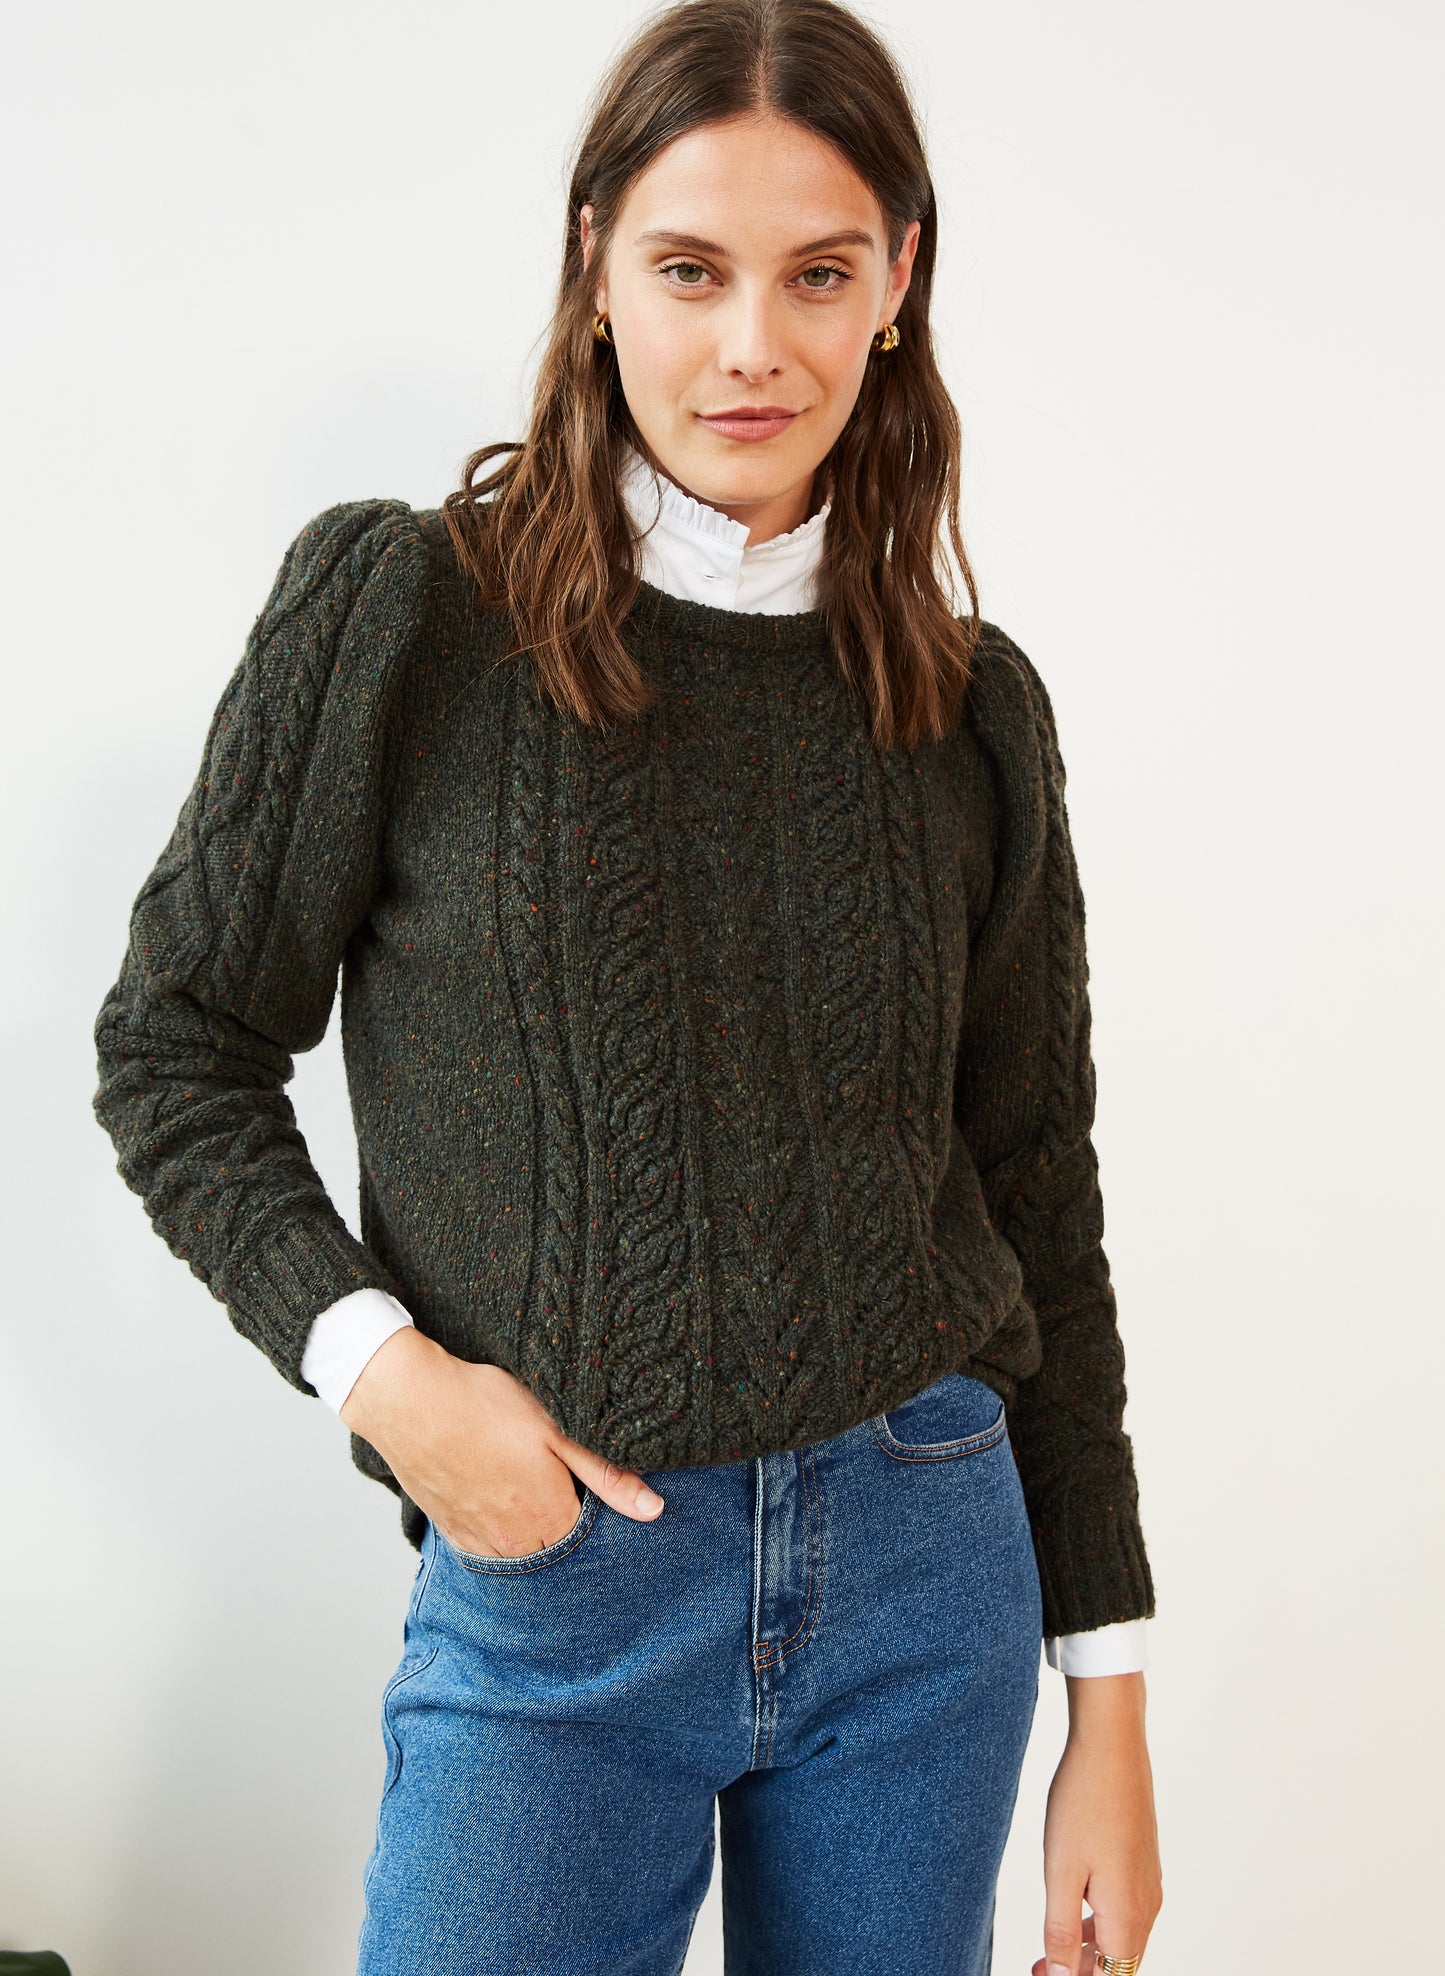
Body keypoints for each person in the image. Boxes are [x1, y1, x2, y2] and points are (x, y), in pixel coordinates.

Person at [91, 2, 1162, 1970]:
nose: (752, 344)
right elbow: (177, 1049)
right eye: (689, 269)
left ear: (898, 285)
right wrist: (390, 1380)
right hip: (558, 1581)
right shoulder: (412, 617)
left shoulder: (968, 711)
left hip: (926, 1573)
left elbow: (1036, 1186)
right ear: (594, 266)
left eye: (817, 273)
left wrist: (1111, 1702)